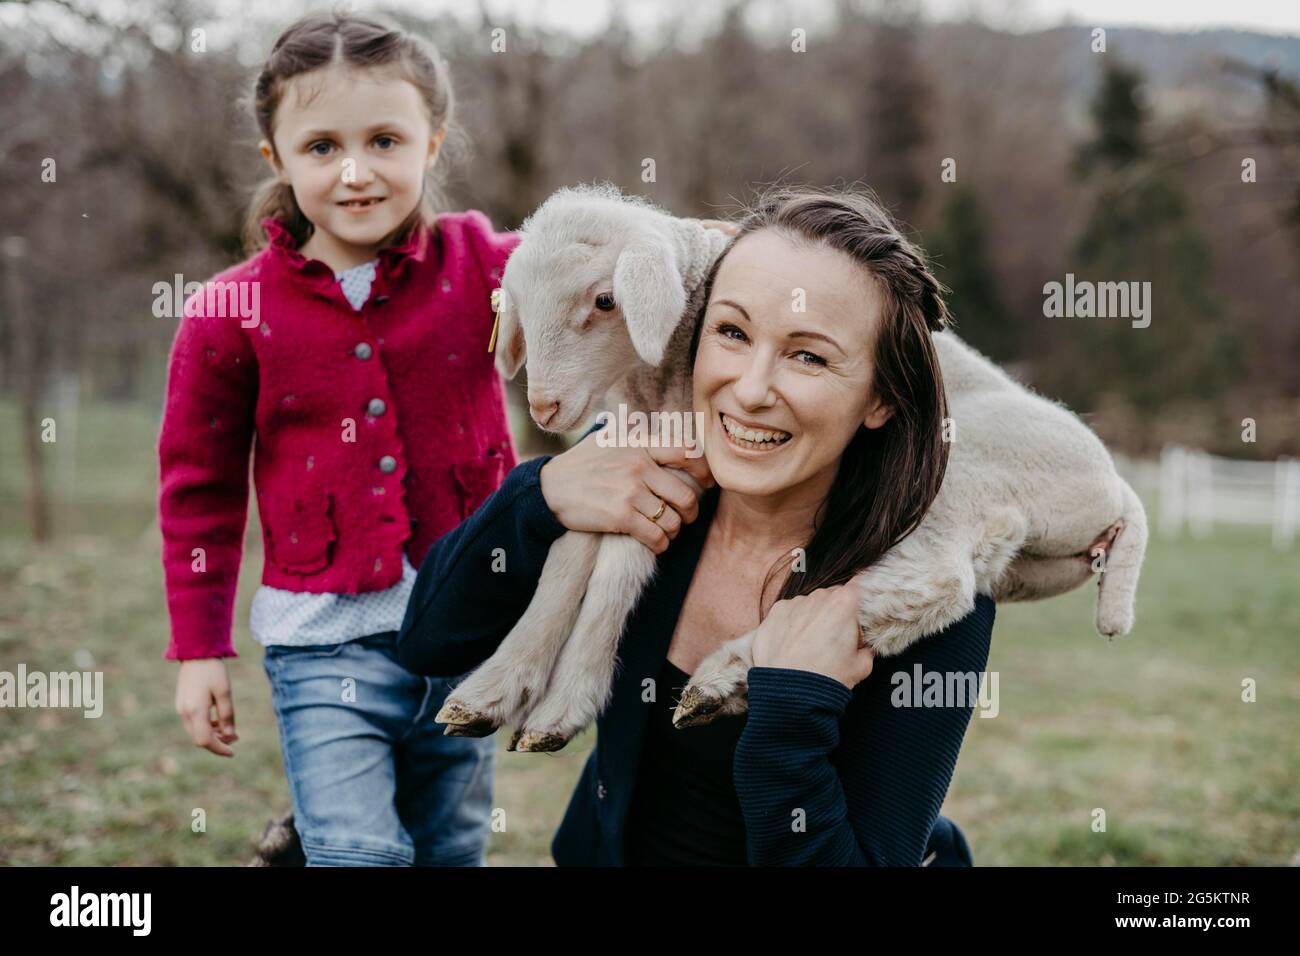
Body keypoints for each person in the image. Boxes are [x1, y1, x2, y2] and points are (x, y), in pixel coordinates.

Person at [400, 185, 1119, 866]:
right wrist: (540, 495)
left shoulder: (921, 601)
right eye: (732, 332)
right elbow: (432, 639)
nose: (750, 390)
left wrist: (793, 709)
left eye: (808, 355)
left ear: (879, 399)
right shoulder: (645, 492)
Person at [159, 10, 519, 866]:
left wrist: (699, 253)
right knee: (359, 852)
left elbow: (587, 261)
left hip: (465, 634)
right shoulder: (229, 312)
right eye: (321, 147)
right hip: (322, 644)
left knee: (451, 844)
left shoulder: (479, 265)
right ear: (275, 158)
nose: (356, 172)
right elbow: (198, 492)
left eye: (385, 140)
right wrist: (200, 649)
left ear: (432, 143)